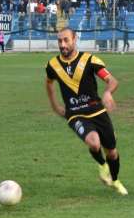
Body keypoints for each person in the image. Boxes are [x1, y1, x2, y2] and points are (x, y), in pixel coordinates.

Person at [45, 27, 128, 195]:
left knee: (112, 152)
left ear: (75, 39)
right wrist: (55, 106)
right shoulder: (52, 65)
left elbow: (112, 80)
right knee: (94, 142)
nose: (62, 44)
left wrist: (107, 92)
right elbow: (49, 84)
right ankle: (102, 166)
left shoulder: (90, 60)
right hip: (75, 114)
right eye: (60, 41)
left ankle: (115, 179)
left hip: (97, 111)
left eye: (66, 40)